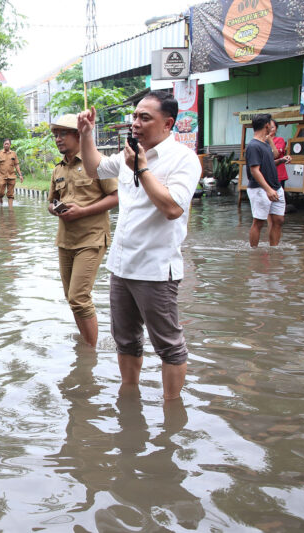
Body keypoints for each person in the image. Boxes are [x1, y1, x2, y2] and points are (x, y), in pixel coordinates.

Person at [77, 91, 201, 401]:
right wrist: (86, 135)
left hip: (157, 270)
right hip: (122, 266)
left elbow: (173, 208)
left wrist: (142, 169)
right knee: (126, 340)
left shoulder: (183, 158)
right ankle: (129, 398)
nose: (136, 123)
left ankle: (172, 410)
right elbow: (94, 168)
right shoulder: (128, 154)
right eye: (135, 116)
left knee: (169, 346)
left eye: (145, 117)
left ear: (168, 123)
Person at [47, 113, 118, 346]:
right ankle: (87, 346)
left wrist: (83, 211)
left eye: (63, 134)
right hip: (65, 240)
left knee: (79, 297)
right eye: (55, 134)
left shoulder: (97, 163)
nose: (58, 139)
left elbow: (117, 196)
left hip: (91, 238)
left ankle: (90, 354)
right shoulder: (57, 169)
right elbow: (51, 201)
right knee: (71, 298)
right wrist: (55, 208)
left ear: (78, 134)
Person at [246, 113, 284, 247]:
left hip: (275, 186)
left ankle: (274, 249)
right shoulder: (253, 145)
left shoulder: (265, 144)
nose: (272, 128)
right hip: (260, 189)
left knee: (278, 219)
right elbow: (254, 170)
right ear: (267, 125)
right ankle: (254, 252)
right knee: (259, 222)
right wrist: (268, 189)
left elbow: (271, 161)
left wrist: (280, 160)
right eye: (271, 125)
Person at [0, 138, 24, 207]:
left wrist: (20, 175)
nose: (6, 145)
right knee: (0, 193)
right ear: (3, 145)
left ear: (10, 145)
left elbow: (16, 164)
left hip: (12, 176)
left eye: (7, 144)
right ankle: (0, 199)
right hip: (2, 176)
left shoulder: (14, 154)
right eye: (5, 144)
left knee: (10, 194)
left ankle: (10, 209)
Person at [268, 119, 291, 191]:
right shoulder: (261, 141)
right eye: (268, 127)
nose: (270, 129)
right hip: (266, 175)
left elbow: (275, 155)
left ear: (276, 128)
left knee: (278, 198)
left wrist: (269, 140)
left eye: (272, 127)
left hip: (278, 175)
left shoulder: (280, 140)